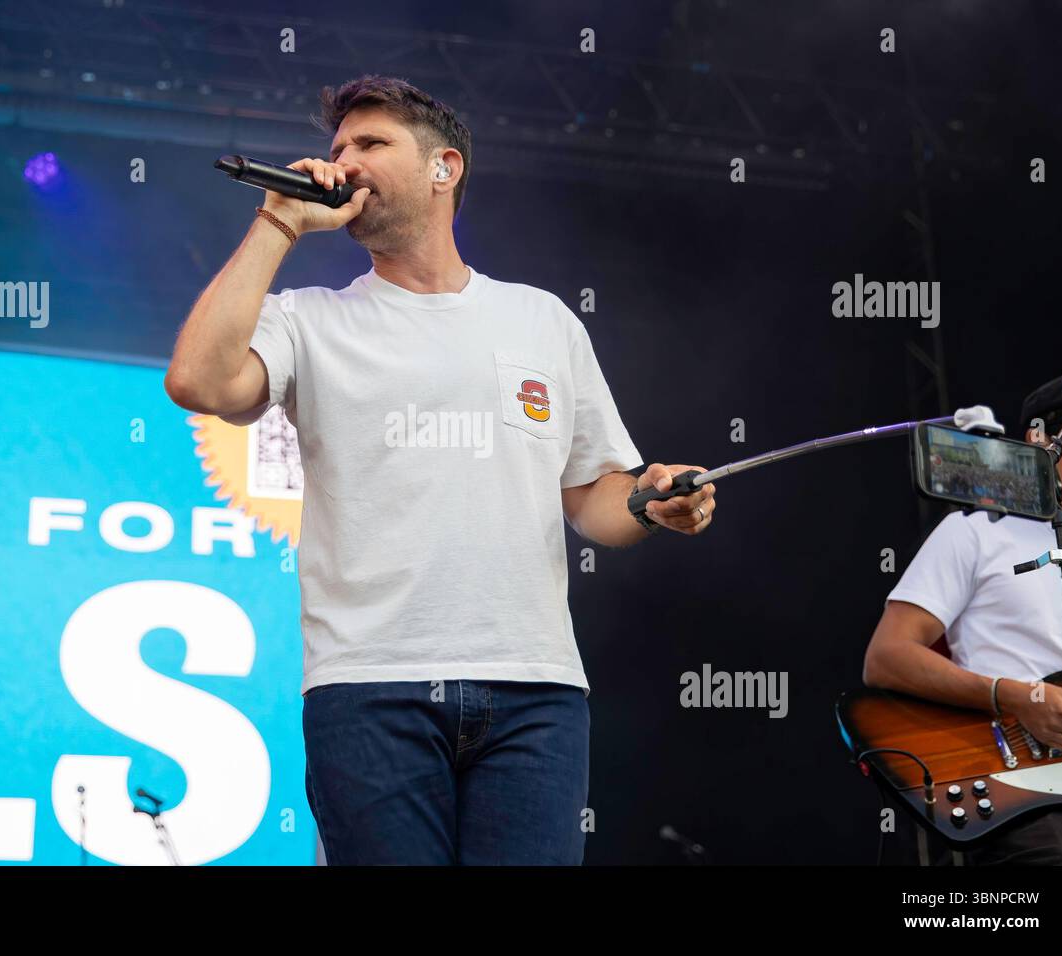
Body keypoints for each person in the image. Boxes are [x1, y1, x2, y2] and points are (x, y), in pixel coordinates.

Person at [164, 74, 717, 864]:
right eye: (337, 149)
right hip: (371, 688)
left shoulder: (541, 319)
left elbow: (593, 496)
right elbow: (198, 382)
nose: (344, 161)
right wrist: (277, 221)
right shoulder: (310, 318)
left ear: (443, 168)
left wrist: (648, 503)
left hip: (535, 690)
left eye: (371, 144)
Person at [863, 373, 1062, 864]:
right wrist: (1012, 695)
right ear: (1041, 442)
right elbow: (887, 657)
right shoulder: (978, 530)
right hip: (1026, 792)